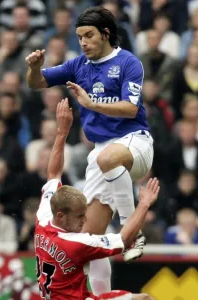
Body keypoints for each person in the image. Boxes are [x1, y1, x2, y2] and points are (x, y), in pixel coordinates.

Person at [26, 6, 154, 295]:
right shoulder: (77, 65)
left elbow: (131, 108)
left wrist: (91, 104)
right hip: (100, 156)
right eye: (79, 36)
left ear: (106, 34)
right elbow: (36, 83)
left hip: (135, 143)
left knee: (106, 157)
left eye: (88, 35)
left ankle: (133, 231)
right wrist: (34, 67)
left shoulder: (128, 62)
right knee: (89, 239)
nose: (82, 42)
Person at [35, 99, 158, 300]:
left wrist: (62, 132)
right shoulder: (74, 243)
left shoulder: (44, 217)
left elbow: (54, 174)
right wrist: (143, 204)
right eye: (80, 216)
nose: (85, 220)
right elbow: (124, 239)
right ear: (61, 215)